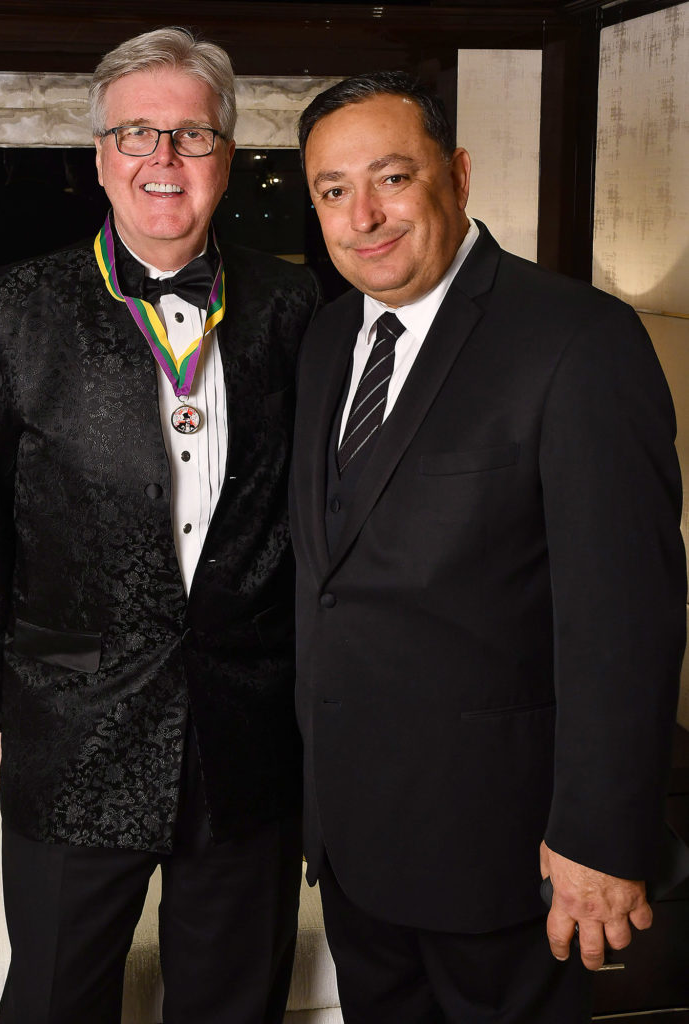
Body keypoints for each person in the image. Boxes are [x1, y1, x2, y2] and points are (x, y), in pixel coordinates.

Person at [0, 27, 319, 1024]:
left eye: (189, 138)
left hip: (246, 735)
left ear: (225, 161)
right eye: (137, 134)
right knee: (57, 998)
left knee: (231, 1005)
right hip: (74, 729)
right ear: (100, 155)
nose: (162, 159)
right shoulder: (9, 306)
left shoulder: (293, 302)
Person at [289, 70, 686, 1023]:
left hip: (501, 853)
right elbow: (333, 580)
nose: (364, 216)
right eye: (333, 191)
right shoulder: (328, 337)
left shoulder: (578, 340)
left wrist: (599, 836)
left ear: (457, 174)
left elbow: (623, 616)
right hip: (353, 842)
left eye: (392, 177)